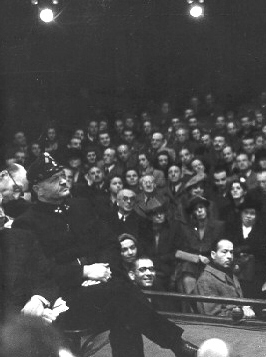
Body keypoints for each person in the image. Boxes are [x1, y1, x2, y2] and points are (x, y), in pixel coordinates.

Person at [13, 153, 199, 357]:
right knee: (126, 297)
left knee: (124, 306)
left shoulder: (81, 206)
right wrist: (84, 272)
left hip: (104, 284)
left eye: (63, 175)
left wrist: (105, 270)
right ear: (37, 188)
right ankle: (177, 345)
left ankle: (177, 346)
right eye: (54, 179)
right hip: (65, 299)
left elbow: (109, 242)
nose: (64, 181)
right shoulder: (27, 223)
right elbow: (40, 272)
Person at [195, 239, 255, 318]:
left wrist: (245, 308)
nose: (229, 256)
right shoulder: (206, 280)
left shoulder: (230, 274)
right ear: (213, 255)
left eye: (231, 252)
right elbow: (213, 315)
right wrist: (242, 313)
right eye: (224, 252)